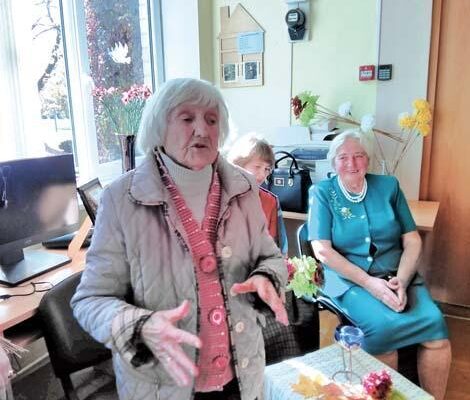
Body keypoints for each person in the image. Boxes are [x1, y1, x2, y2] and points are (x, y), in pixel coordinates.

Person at [71, 78, 288, 400]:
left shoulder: (244, 186)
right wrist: (139, 326)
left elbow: (270, 256)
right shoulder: (120, 198)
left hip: (241, 375)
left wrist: (266, 276)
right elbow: (90, 300)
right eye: (187, 118)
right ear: (160, 127)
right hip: (160, 387)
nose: (202, 129)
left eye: (211, 120)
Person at [308, 130, 451, 399]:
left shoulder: (388, 186)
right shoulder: (322, 193)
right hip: (350, 280)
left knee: (436, 327)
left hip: (398, 274)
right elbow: (322, 251)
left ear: (368, 159)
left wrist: (403, 279)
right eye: (343, 157)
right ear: (333, 162)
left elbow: (412, 240)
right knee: (383, 330)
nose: (352, 163)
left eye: (359, 155)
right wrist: (370, 284)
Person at [227, 134, 288, 255]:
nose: (262, 174)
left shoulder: (270, 201)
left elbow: (278, 249)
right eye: (257, 167)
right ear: (238, 165)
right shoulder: (219, 196)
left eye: (267, 169)